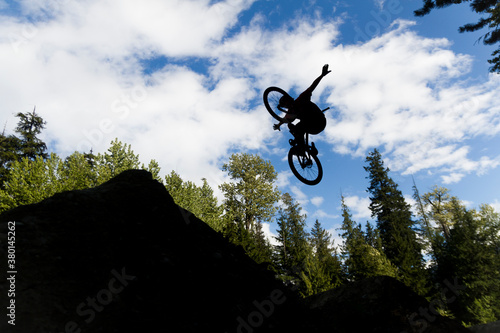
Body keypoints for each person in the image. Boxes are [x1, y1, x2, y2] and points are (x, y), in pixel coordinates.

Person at [273, 64, 331, 147]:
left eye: (285, 105)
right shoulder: (291, 110)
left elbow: (312, 86)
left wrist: (321, 75)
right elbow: (284, 119)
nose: (287, 107)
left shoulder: (301, 98)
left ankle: (301, 146)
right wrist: (278, 125)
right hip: (315, 125)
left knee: (296, 127)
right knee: (294, 125)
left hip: (318, 121)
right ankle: (306, 148)